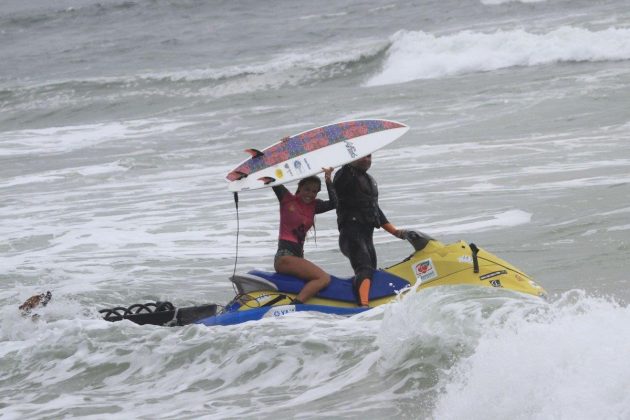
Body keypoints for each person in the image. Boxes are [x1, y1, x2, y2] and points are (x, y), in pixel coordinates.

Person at [333, 154, 408, 307]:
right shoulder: (344, 175)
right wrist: (347, 159)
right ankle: (363, 306)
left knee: (370, 271)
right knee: (364, 268)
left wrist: (395, 232)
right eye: (362, 156)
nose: (367, 159)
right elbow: (340, 186)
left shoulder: (368, 179)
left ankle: (365, 300)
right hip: (351, 234)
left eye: (369, 156)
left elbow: (375, 210)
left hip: (366, 236)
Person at [272, 168, 336, 304]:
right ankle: (295, 306)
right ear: (299, 188)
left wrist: (328, 178)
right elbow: (273, 180)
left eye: (314, 191)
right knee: (323, 278)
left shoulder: (314, 206)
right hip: (285, 256)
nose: (310, 194)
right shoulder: (287, 199)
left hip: (297, 257)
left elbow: (335, 203)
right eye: (307, 189)